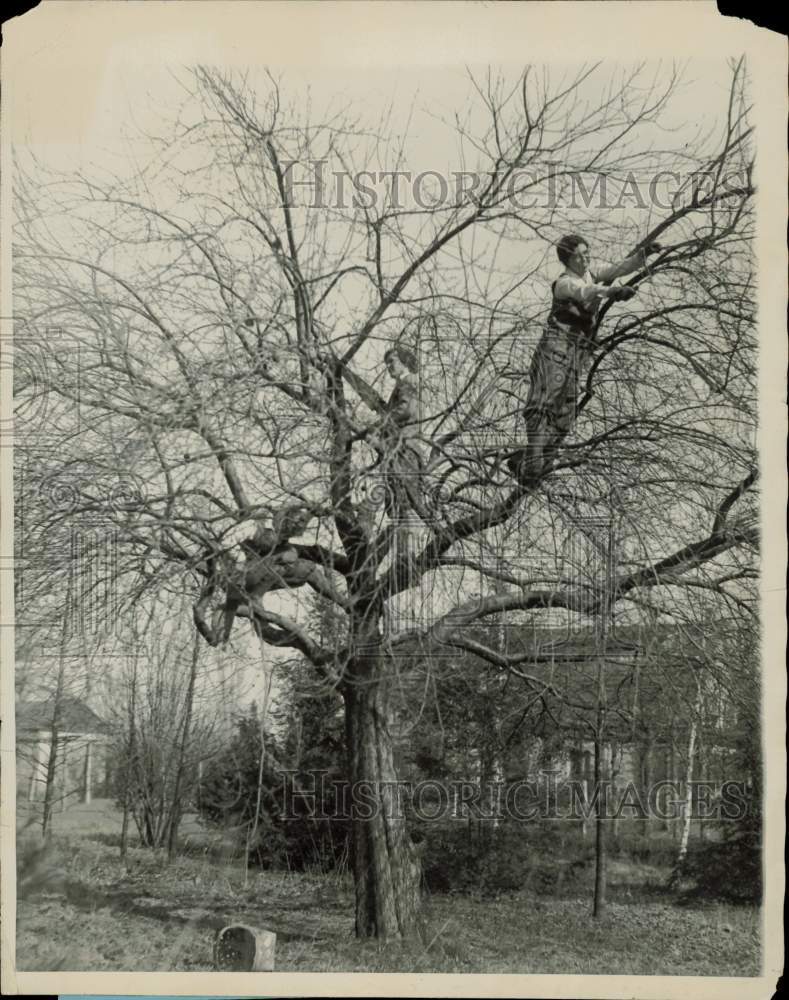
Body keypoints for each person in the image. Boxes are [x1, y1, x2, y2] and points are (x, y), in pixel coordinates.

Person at [507, 234, 661, 483]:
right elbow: (585, 292)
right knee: (544, 402)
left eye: (588, 252)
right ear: (569, 258)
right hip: (555, 347)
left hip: (577, 351)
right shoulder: (564, 283)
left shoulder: (592, 272)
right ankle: (533, 463)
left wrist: (643, 255)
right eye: (580, 254)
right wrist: (612, 291)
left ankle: (529, 460)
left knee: (566, 407)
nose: (586, 257)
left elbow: (618, 267)